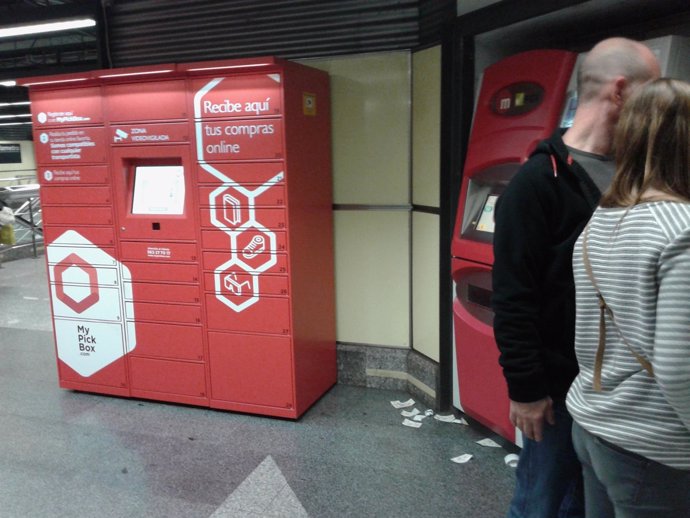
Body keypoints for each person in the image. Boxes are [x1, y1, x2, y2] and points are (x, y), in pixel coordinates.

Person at [491, 37, 660, 518]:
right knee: (540, 503)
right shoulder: (538, 181)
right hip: (558, 390)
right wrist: (525, 389)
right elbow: (514, 296)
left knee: (583, 507)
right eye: (651, 91)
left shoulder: (640, 174)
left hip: (617, 394)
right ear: (623, 91)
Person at [566, 78, 690, 518]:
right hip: (653, 444)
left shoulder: (604, 215)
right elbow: (679, 368)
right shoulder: (682, 228)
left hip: (594, 422)